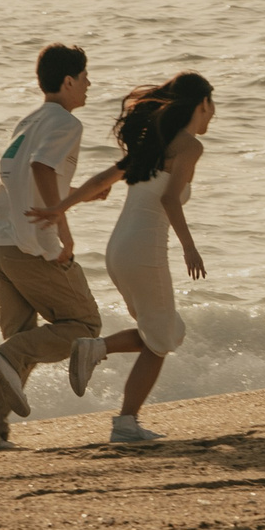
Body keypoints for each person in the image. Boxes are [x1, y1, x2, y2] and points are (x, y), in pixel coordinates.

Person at [32, 71, 212, 445]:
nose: (213, 115)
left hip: (119, 252)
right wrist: (189, 246)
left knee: (164, 332)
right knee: (161, 340)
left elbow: (101, 180)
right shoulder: (189, 147)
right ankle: (124, 419)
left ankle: (102, 357)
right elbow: (168, 199)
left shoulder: (151, 143)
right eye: (212, 106)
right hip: (145, 252)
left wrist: (60, 207)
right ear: (201, 104)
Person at [0, 43, 100, 453]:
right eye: (84, 77)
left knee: (20, 341)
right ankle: (6, 357)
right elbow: (42, 168)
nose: (89, 85)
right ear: (67, 81)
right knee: (85, 328)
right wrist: (64, 226)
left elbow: (24, 176)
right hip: (29, 245)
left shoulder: (29, 119)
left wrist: (75, 195)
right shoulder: (65, 122)